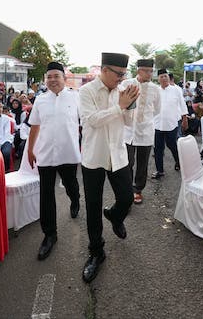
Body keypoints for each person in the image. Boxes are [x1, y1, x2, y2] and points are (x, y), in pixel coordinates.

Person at [78, 52, 139, 283]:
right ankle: (96, 252)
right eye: (118, 74)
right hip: (94, 155)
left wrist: (130, 105)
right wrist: (120, 107)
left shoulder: (122, 92)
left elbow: (129, 122)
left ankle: (115, 215)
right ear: (104, 70)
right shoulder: (86, 91)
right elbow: (91, 120)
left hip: (118, 154)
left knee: (126, 198)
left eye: (124, 74)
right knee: (93, 206)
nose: (122, 78)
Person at [28, 62, 81, 260]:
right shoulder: (40, 100)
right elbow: (34, 126)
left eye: (56, 76)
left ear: (64, 78)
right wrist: (30, 150)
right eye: (48, 77)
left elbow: (86, 123)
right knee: (46, 194)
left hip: (68, 153)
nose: (52, 80)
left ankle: (75, 200)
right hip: (46, 154)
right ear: (45, 80)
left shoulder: (75, 98)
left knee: (71, 185)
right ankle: (50, 235)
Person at [121, 59, 161, 204]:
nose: (149, 73)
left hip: (146, 131)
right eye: (146, 70)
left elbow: (157, 109)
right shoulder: (127, 84)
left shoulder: (155, 89)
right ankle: (127, 190)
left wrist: (144, 119)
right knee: (128, 162)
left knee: (142, 164)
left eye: (151, 71)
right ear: (139, 71)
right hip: (128, 130)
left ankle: (137, 190)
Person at [152, 69, 188, 179]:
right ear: (158, 78)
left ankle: (178, 161)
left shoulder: (176, 90)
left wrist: (185, 118)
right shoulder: (155, 90)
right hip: (157, 124)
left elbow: (182, 104)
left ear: (169, 77)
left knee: (172, 145)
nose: (164, 78)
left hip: (171, 123)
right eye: (161, 76)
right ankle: (160, 170)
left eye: (165, 76)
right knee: (158, 148)